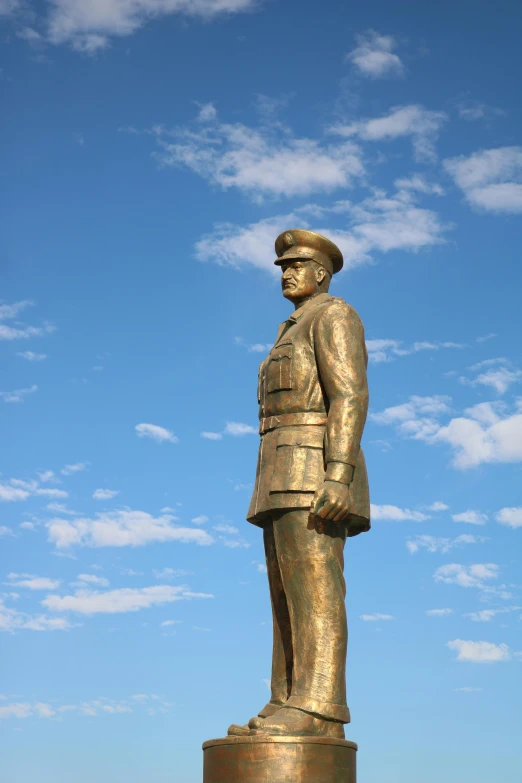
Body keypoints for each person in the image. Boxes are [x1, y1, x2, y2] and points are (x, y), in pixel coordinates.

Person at [228, 229, 370, 739]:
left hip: (313, 467)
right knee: (286, 593)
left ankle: (320, 705)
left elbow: (349, 396)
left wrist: (339, 474)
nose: (287, 272)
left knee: (316, 590)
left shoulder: (333, 315)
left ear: (321, 273)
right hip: (278, 470)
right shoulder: (289, 328)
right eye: (282, 266)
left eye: (296, 264)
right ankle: (285, 697)